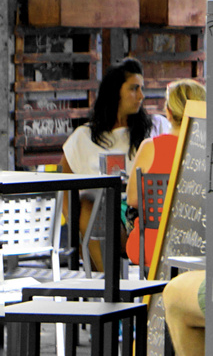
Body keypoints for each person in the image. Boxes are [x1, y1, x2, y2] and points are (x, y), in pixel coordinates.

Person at [61, 58, 162, 270]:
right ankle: (107, 284)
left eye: (141, 89)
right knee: (89, 206)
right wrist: (74, 227)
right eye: (134, 89)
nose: (141, 96)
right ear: (115, 91)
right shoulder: (84, 137)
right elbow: (65, 188)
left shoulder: (154, 129)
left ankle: (108, 285)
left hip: (145, 216)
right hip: (98, 221)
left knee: (94, 211)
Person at [125, 78, 205, 270]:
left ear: (168, 113)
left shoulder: (150, 148)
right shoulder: (212, 151)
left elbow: (132, 199)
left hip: (153, 248)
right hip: (200, 248)